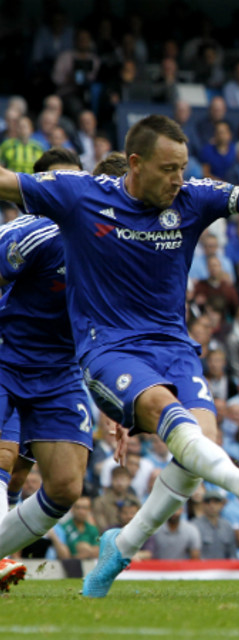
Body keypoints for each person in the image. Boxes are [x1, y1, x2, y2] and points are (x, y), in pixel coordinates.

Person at [0, 115, 239, 597]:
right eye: (169, 169)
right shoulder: (78, 200)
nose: (178, 179)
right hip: (100, 349)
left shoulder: (191, 199)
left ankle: (123, 544)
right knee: (161, 417)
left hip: (170, 348)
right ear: (135, 164)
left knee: (192, 451)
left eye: (183, 168)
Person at [0, 149, 89, 591]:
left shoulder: (99, 237)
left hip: (58, 374)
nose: (67, 193)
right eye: (57, 183)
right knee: (3, 458)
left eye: (76, 182)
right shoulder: (29, 232)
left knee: (66, 485)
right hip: (6, 358)